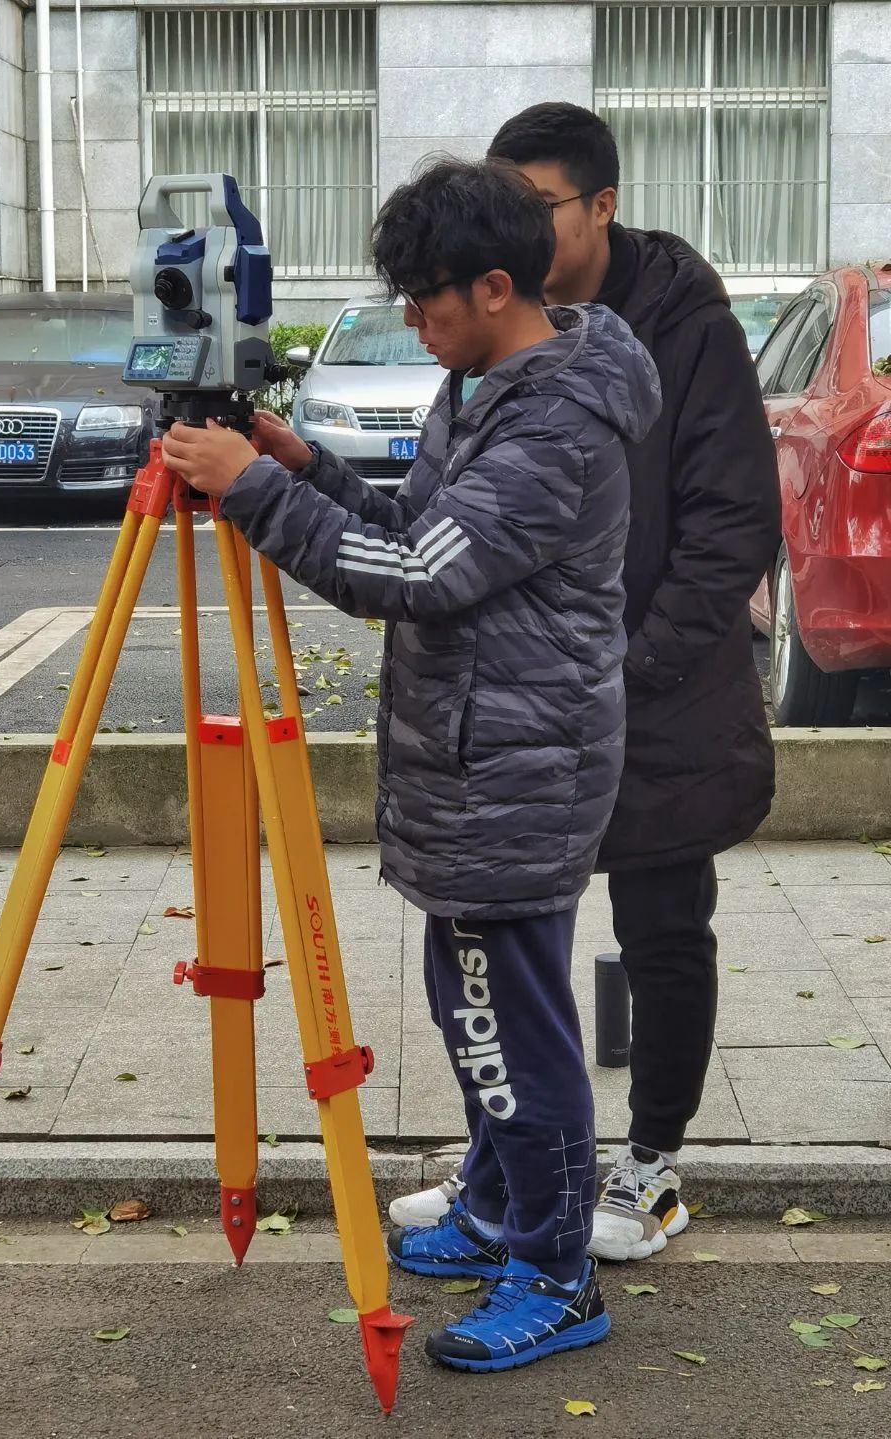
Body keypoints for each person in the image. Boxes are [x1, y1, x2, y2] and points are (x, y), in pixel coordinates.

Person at [162, 157, 660, 1370]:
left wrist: (252, 494)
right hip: (477, 759)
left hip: (517, 768)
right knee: (471, 1002)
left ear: (493, 287)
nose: (414, 319)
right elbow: (417, 525)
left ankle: (556, 1269)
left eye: (426, 297)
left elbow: (417, 577)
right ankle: (495, 1208)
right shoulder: (483, 381)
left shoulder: (557, 421)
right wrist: (303, 467)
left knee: (512, 1029)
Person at [389, 104, 780, 1263]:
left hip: (659, 685)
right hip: (529, 698)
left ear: (601, 206)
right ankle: (510, 1174)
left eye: (538, 203)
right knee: (510, 949)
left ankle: (651, 1164)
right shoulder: (498, 323)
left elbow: (733, 519)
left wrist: (629, 662)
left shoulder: (685, 323)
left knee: (662, 924)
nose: (512, 224)